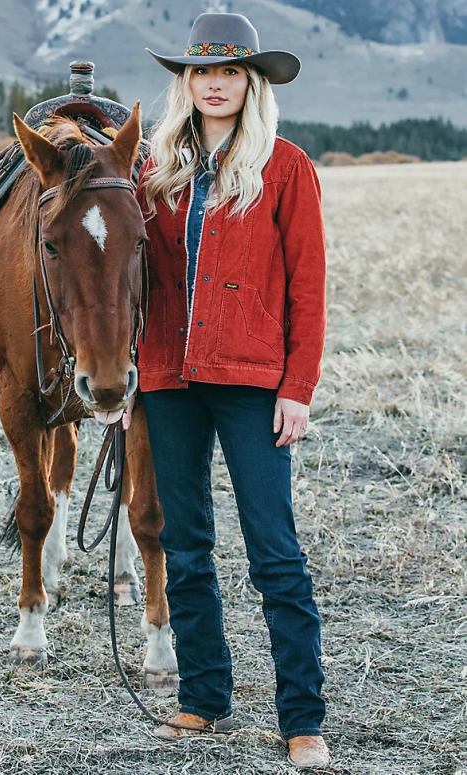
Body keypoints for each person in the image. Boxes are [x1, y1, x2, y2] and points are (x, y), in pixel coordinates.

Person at [133, 12, 330, 770]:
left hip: (253, 381)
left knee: (274, 553)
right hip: (167, 377)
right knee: (183, 546)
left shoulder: (284, 166)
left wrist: (298, 386)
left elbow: (307, 289)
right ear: (186, 83)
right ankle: (204, 696)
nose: (215, 83)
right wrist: (125, 375)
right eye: (202, 72)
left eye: (230, 72)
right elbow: (131, 280)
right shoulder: (154, 170)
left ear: (250, 83)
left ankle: (302, 718)